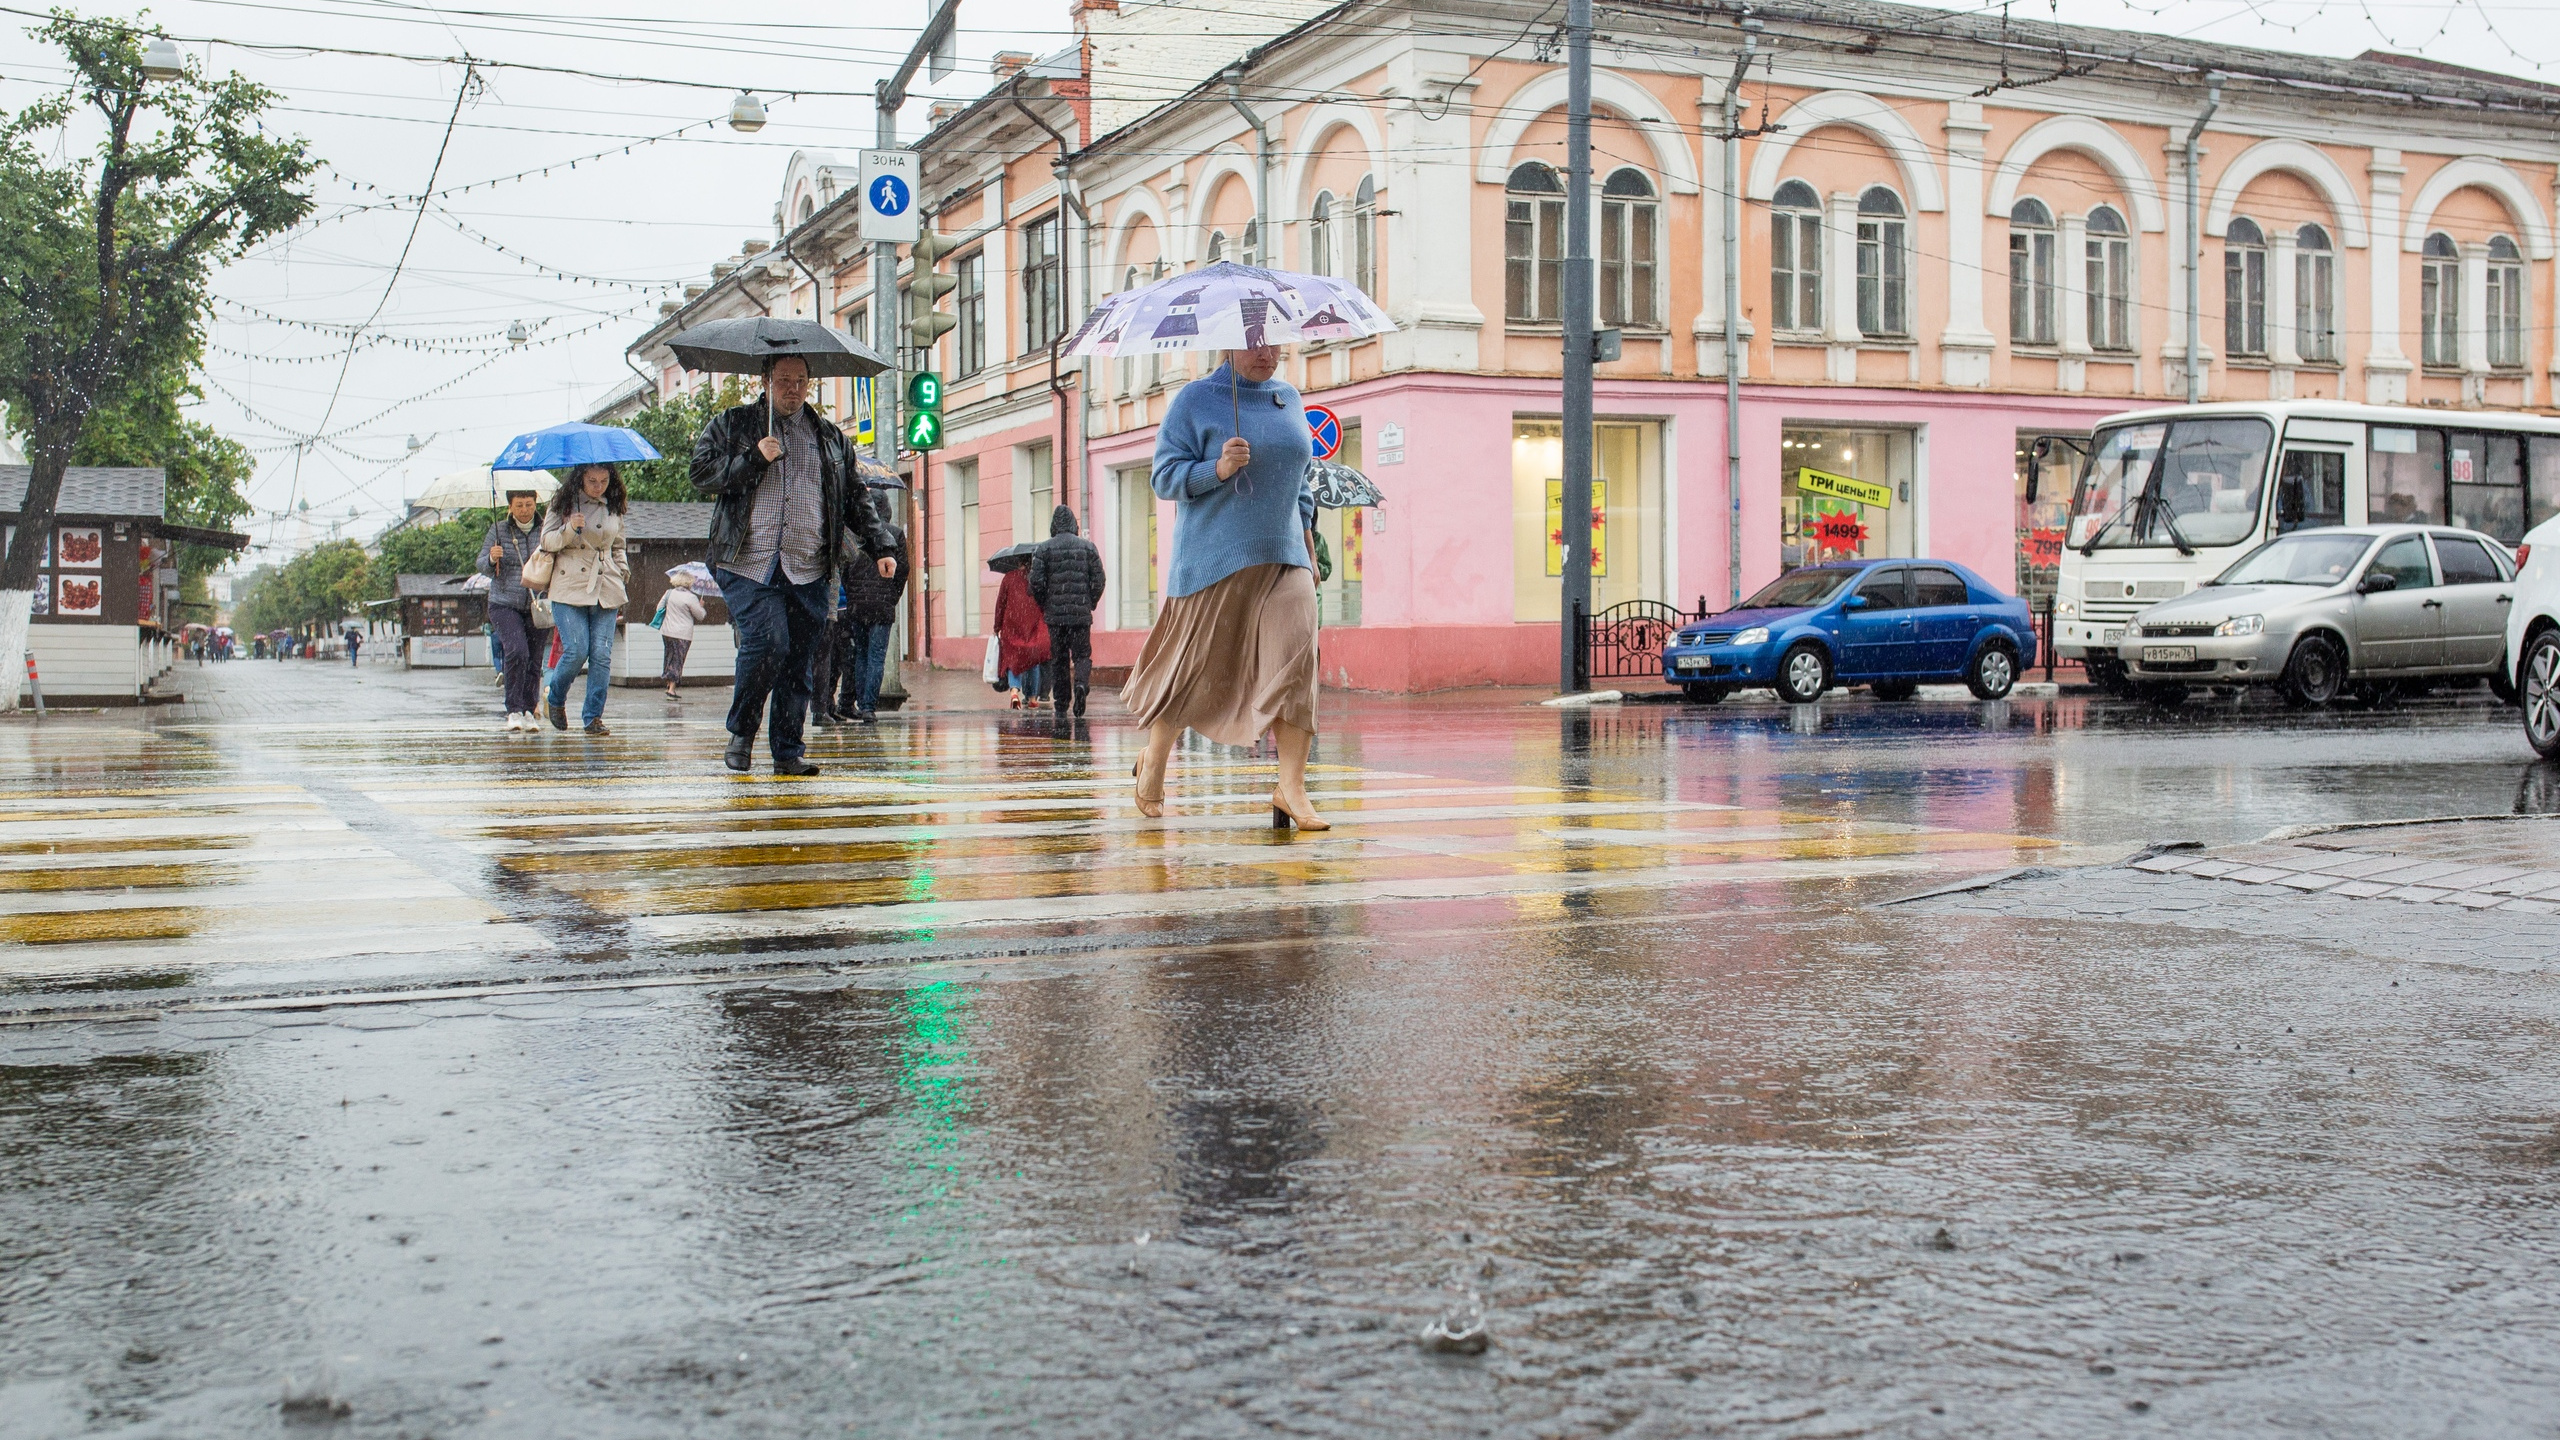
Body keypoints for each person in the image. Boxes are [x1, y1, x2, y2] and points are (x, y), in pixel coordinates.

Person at [1121, 342, 1325, 829]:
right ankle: (1154, 760)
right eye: (1255, 342)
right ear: (1228, 344)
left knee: (1297, 665)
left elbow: (1301, 480)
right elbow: (1164, 477)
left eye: (1275, 341)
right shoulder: (1195, 400)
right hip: (1213, 559)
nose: (1267, 351)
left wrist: (1309, 543)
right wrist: (1216, 469)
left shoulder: (1289, 399)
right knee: (1193, 672)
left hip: (1284, 557)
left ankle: (1291, 787)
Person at [688, 354, 898, 776]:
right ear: (765, 381)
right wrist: (752, 459)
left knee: (801, 658)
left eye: (800, 381)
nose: (793, 389)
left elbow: (855, 497)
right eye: (784, 380)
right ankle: (742, 733)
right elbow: (700, 474)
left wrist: (881, 547)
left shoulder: (831, 439)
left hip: (809, 564)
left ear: (810, 383)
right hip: (747, 561)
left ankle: (787, 751)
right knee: (768, 643)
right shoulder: (733, 424)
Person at [540, 463, 631, 735]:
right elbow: (546, 541)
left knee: (601, 655)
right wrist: (569, 528)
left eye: (603, 480)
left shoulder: (613, 503)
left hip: (606, 584)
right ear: (581, 479)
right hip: (570, 585)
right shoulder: (563, 503)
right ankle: (555, 698)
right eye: (592, 481)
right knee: (577, 650)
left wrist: (622, 570)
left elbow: (619, 544)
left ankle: (593, 717)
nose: (598, 486)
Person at [477, 488, 546, 731]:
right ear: (510, 507)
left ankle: (529, 708)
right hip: (504, 602)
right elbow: (481, 564)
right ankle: (514, 709)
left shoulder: (545, 528)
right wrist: (491, 558)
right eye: (519, 505)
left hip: (537, 603)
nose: (524, 510)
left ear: (535, 503)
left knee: (535, 658)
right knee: (517, 652)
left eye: (528, 504)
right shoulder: (498, 530)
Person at [1029, 504, 1106, 718]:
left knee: (1059, 659)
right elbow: (1099, 579)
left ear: (1054, 526)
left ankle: (1062, 701)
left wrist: (1046, 603)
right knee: (1082, 655)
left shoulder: (1044, 549)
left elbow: (1035, 582)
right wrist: (1090, 602)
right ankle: (1081, 685)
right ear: (1074, 524)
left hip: (1055, 617)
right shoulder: (1088, 548)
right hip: (1081, 615)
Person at [838, 519, 908, 724]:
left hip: (858, 606)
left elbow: (844, 567)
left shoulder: (857, 532)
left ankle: (861, 704)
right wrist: (891, 596)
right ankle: (869, 707)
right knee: (876, 657)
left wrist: (853, 594)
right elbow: (903, 569)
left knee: (861, 654)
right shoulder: (894, 533)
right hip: (882, 606)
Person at [994, 560, 1050, 710]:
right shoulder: (1037, 578)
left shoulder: (1009, 578)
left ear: (1018, 561)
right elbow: (1044, 602)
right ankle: (1032, 698)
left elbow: (1001, 604)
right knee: (1033, 660)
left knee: (1013, 659)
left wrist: (997, 626)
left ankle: (1014, 692)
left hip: (1012, 625)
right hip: (1033, 625)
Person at [658, 570, 707, 700]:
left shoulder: (668, 593)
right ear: (688, 583)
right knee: (678, 660)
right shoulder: (690, 597)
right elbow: (700, 616)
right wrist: (701, 606)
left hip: (667, 631)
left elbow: (659, 608)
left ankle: (668, 684)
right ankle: (672, 690)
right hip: (683, 633)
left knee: (669, 657)